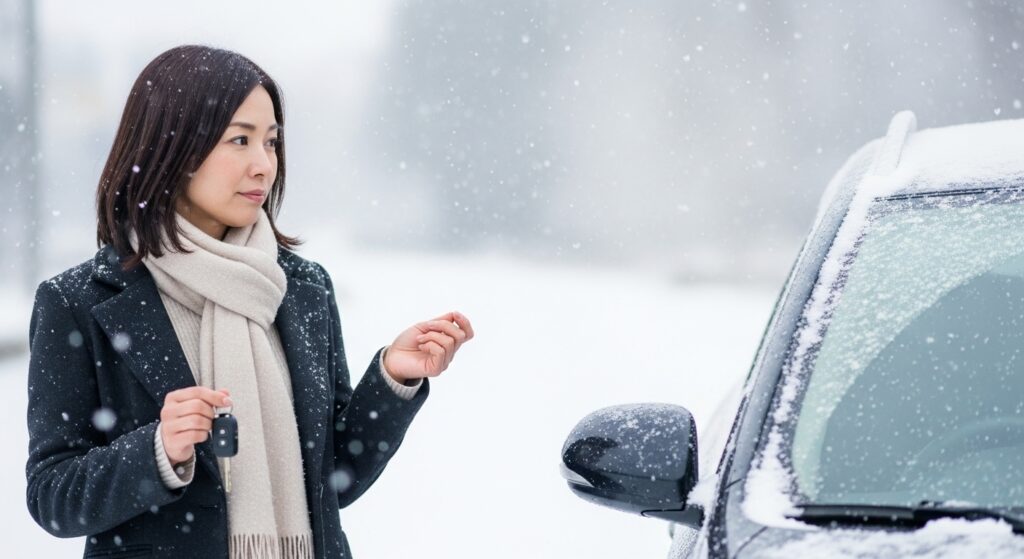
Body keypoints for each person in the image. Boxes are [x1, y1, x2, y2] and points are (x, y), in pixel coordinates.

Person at [24, 44, 474, 559]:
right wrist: (157, 451)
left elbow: (332, 481)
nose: (264, 165)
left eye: (272, 142)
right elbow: (52, 495)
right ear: (171, 148)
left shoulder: (301, 288)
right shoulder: (78, 302)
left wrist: (393, 378)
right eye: (239, 140)